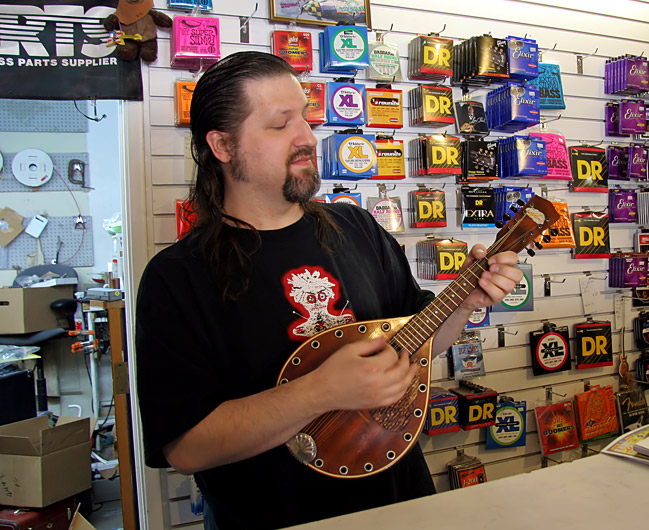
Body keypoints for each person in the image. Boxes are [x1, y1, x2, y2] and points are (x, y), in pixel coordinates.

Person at [135, 51, 523, 529]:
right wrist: (317, 392)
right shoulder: (177, 277)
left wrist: (465, 302)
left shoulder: (355, 225)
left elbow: (418, 339)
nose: (306, 137)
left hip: (405, 505)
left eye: (305, 116)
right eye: (280, 125)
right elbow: (187, 447)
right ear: (222, 145)